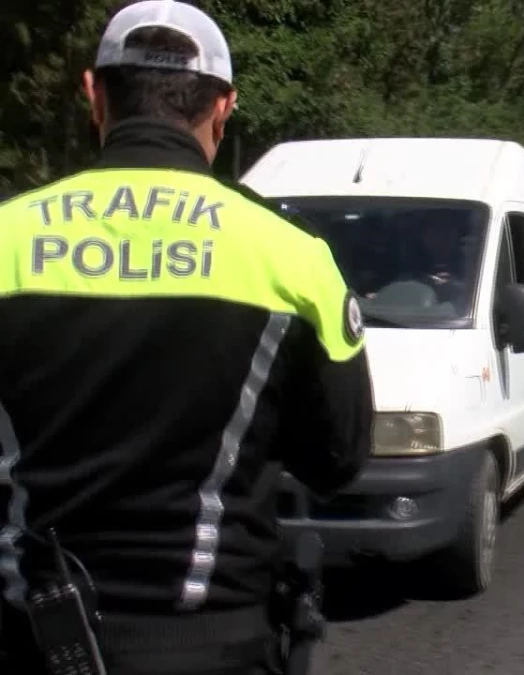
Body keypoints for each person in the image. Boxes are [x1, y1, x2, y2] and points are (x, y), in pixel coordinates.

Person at [0, 2, 374, 673]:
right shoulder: (294, 257)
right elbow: (338, 460)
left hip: (30, 630)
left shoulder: (9, 236)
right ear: (224, 107)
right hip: (210, 639)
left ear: (94, 93)